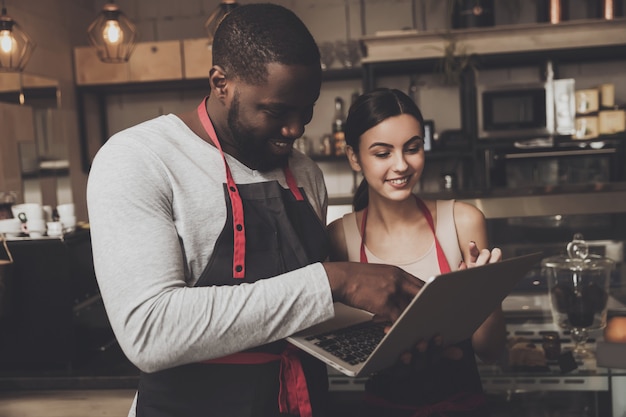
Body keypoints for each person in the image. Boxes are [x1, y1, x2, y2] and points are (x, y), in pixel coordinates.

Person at [86, 5, 423, 417]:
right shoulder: (139, 159)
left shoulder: (305, 173)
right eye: (277, 111)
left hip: (300, 402)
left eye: (307, 110)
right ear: (221, 83)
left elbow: (300, 315)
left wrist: (383, 333)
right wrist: (333, 281)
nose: (296, 130)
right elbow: (150, 331)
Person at [327, 88, 506, 416]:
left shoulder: (463, 221)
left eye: (412, 149)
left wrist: (486, 293)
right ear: (354, 157)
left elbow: (491, 351)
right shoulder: (340, 237)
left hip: (463, 407)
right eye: (383, 153)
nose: (401, 165)